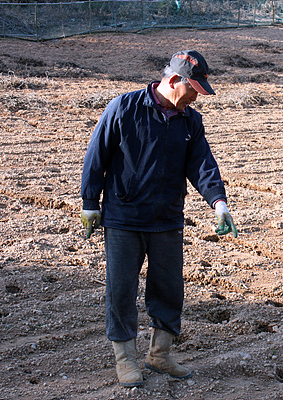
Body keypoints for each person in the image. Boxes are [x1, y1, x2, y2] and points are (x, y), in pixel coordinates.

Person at [80, 50, 238, 387]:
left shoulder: (190, 121)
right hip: (124, 217)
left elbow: (202, 165)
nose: (196, 97)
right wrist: (90, 202)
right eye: (193, 89)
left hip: (167, 217)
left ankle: (159, 355)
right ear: (173, 81)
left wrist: (219, 202)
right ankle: (125, 359)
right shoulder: (123, 108)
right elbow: (97, 154)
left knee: (168, 288)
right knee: (121, 289)